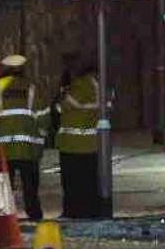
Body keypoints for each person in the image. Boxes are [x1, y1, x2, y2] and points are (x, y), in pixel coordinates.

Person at [0, 54, 49, 221]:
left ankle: (5, 214)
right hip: (27, 147)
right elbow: (44, 116)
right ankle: (34, 213)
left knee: (4, 184)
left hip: (4, 148)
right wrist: (41, 138)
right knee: (30, 185)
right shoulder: (32, 88)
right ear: (22, 70)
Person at [57, 58, 100, 218]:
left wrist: (63, 92)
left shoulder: (79, 86)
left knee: (72, 183)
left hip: (72, 143)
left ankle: (73, 211)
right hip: (89, 143)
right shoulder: (96, 86)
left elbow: (62, 108)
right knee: (89, 181)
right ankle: (89, 210)